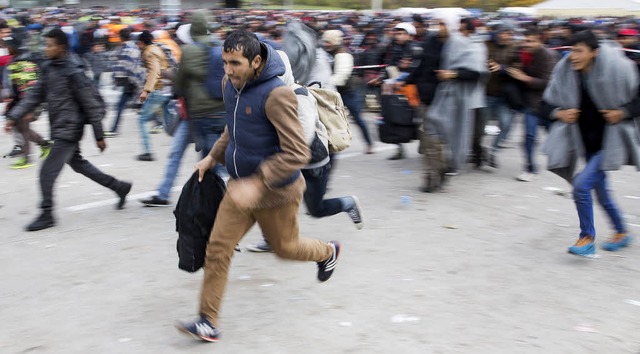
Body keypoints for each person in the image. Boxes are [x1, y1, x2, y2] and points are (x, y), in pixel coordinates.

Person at [175, 30, 340, 342]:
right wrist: (212, 157)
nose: (228, 70)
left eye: (235, 63)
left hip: (277, 193)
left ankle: (327, 251)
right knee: (218, 249)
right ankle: (207, 321)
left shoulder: (277, 95)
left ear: (256, 61)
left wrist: (257, 182)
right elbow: (233, 128)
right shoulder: (230, 85)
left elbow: (296, 152)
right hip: (240, 190)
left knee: (286, 249)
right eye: (225, 62)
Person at [3, 29, 132, 232]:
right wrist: (13, 116)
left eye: (49, 45)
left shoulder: (74, 71)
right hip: (59, 126)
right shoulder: (49, 68)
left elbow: (90, 104)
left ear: (61, 47)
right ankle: (119, 187)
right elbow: (34, 95)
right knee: (79, 165)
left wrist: (99, 135)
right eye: (45, 45)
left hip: (69, 129)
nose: (46, 49)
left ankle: (47, 214)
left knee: (46, 172)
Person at [247, 50, 364, 253]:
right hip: (288, 160)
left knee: (316, 209)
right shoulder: (269, 96)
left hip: (313, 161)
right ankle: (272, 239)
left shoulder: (299, 95)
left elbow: (305, 135)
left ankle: (348, 203)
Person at [541, 30, 640, 256]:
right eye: (570, 51)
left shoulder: (618, 69)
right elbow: (544, 106)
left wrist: (622, 112)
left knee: (581, 187)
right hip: (585, 142)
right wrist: (560, 113)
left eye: (579, 51)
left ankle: (586, 237)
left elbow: (637, 101)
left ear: (594, 52)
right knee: (601, 193)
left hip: (610, 142)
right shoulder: (565, 73)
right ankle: (622, 231)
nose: (572, 56)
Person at [141, 11, 227, 207]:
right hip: (214, 112)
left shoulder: (190, 52)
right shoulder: (219, 46)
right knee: (194, 155)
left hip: (199, 114)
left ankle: (215, 199)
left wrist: (174, 79)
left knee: (206, 160)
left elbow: (179, 85)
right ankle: (164, 194)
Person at [507, 29, 557, 182]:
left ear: (540, 41)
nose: (526, 44)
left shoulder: (548, 56)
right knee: (529, 136)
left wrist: (525, 78)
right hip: (530, 104)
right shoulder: (523, 54)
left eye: (531, 41)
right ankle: (530, 168)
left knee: (555, 136)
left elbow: (547, 82)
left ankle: (564, 161)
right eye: (525, 40)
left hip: (547, 103)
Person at [321, 29, 374, 154]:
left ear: (334, 42)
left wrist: (325, 84)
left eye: (328, 42)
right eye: (325, 41)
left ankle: (369, 143)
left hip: (348, 91)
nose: (326, 44)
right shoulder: (327, 54)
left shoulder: (343, 55)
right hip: (334, 92)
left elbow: (341, 76)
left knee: (357, 118)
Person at [3, 35, 52, 169]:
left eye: (7, 45)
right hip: (20, 101)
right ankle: (44, 144)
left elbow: (29, 88)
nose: (5, 48)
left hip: (28, 102)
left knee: (23, 128)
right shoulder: (15, 61)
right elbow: (14, 85)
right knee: (20, 127)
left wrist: (29, 109)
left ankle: (26, 158)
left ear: (14, 47)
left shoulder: (24, 64)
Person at [136, 30, 170, 161]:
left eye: (138, 44)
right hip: (167, 88)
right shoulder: (157, 48)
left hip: (159, 89)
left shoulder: (149, 52)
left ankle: (147, 151)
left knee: (142, 119)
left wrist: (146, 90)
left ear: (141, 42)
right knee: (169, 124)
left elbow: (154, 71)